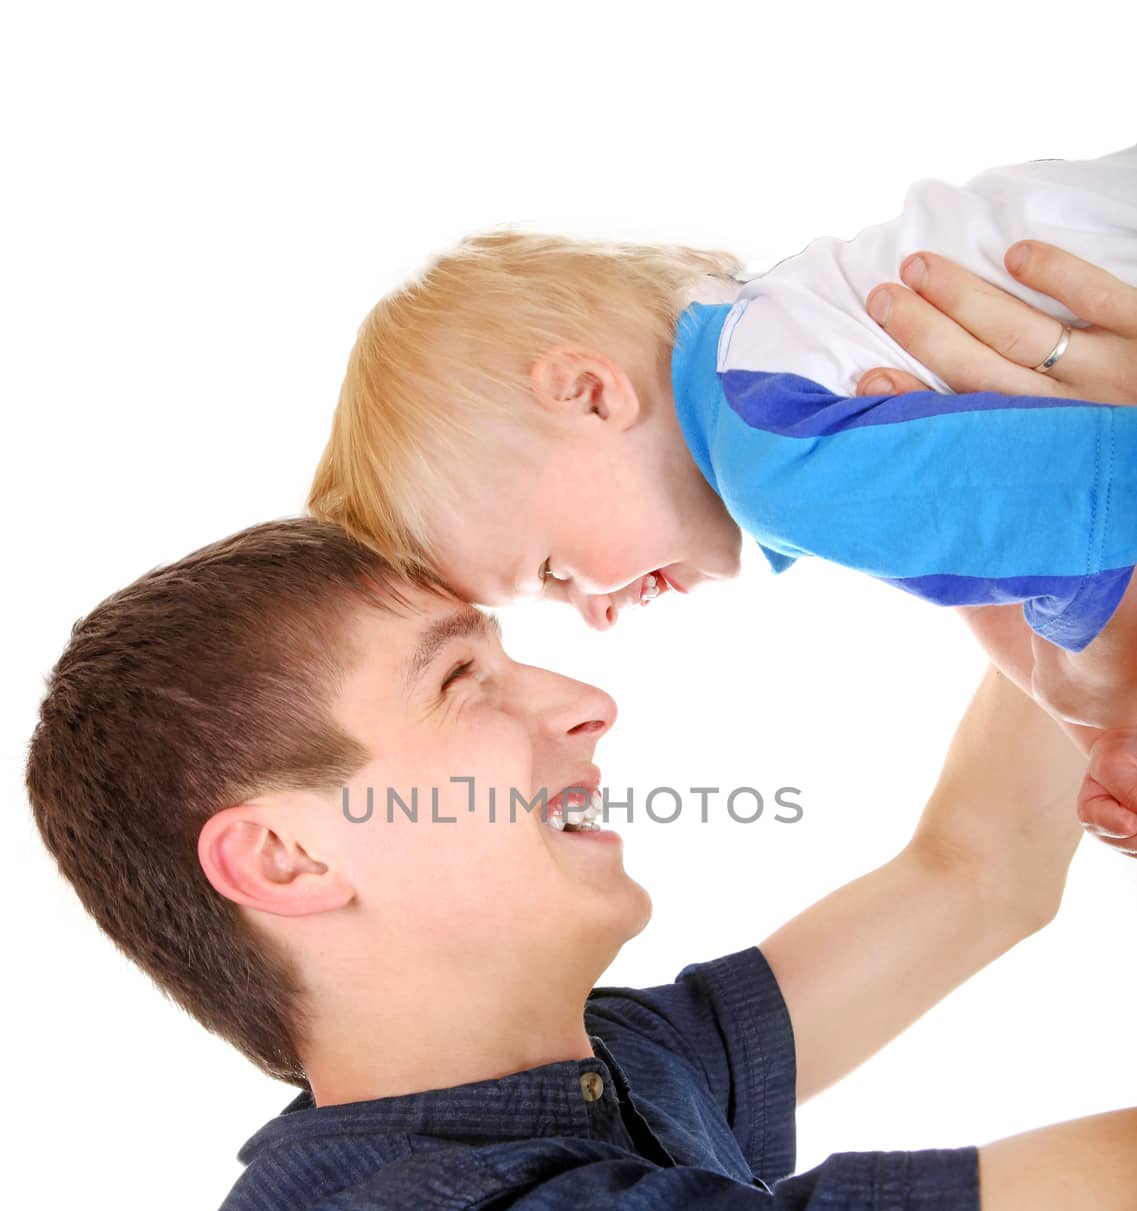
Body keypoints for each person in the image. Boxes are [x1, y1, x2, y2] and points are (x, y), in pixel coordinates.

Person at [25, 508, 1136, 1211]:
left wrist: (1075, 518)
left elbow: (973, 872)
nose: (590, 703)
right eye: (463, 682)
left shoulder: (599, 1069)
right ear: (285, 857)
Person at [307, 148, 1137, 849]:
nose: (596, 616)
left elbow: (1113, 501)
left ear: (588, 394)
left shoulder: (785, 473)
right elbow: (1032, 536)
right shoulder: (782, 335)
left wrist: (1094, 690)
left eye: (555, 570)